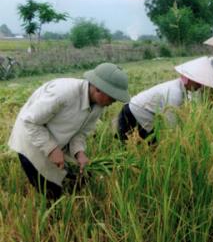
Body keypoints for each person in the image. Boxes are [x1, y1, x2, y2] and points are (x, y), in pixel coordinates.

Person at [8, 63, 130, 199]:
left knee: (80, 179)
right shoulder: (63, 93)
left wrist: (79, 152)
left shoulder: (98, 105)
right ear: (98, 89)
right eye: (112, 97)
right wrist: (52, 149)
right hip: (30, 141)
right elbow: (29, 122)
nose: (113, 102)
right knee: (51, 192)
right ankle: (53, 217)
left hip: (56, 140)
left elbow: (81, 132)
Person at [117, 56, 213, 143]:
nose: (200, 86)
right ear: (189, 79)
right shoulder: (175, 93)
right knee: (143, 147)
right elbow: (172, 126)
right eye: (198, 83)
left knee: (149, 145)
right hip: (132, 114)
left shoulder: (181, 89)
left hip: (141, 114)